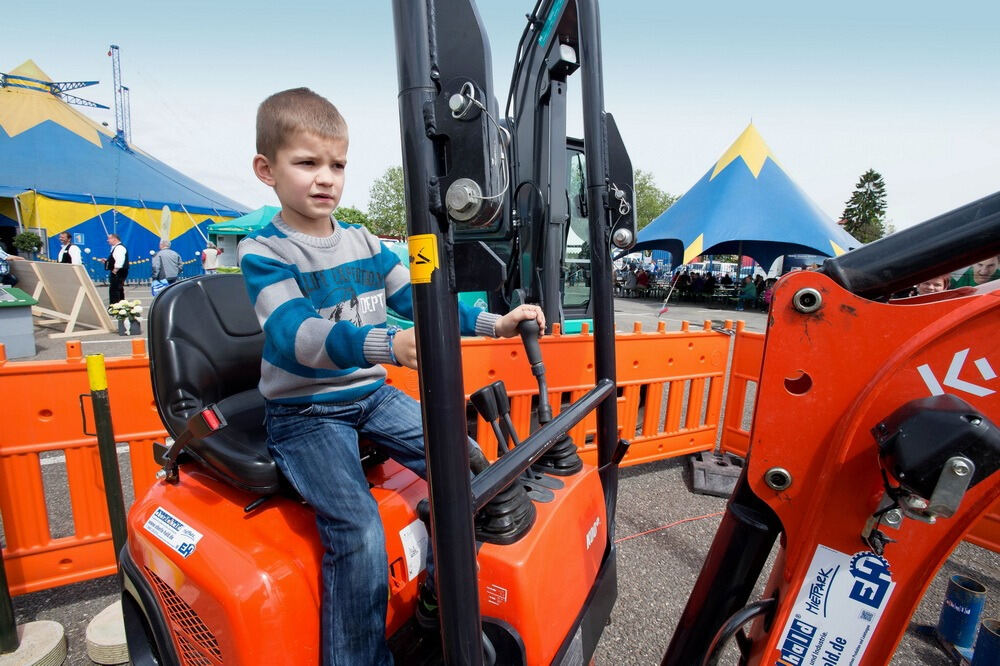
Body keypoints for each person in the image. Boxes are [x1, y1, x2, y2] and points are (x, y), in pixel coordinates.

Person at [238, 87, 545, 665]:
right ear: (266, 169)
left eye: (337, 164)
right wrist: (385, 344)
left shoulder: (366, 241)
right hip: (304, 412)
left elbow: (424, 296)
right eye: (306, 163)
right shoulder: (265, 252)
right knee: (358, 531)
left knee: (465, 463)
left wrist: (494, 322)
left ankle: (434, 593)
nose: (325, 178)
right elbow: (295, 337)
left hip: (367, 396)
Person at [104, 233, 129, 304]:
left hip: (118, 272)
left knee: (115, 290)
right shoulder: (115, 248)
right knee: (118, 289)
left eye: (109, 239)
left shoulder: (119, 248)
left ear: (114, 239)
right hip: (118, 271)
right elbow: (115, 259)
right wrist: (107, 261)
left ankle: (115, 306)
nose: (107, 240)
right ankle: (120, 306)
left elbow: (120, 260)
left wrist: (115, 270)